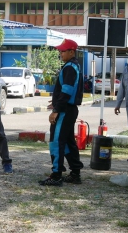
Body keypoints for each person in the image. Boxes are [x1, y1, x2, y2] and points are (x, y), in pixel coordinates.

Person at [39, 39, 84, 186]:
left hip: (65, 111)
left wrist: (56, 110)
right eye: (60, 50)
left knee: (56, 142)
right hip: (69, 109)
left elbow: (67, 90)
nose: (60, 53)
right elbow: (67, 91)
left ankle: (56, 174)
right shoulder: (73, 66)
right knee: (68, 142)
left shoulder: (70, 67)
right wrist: (56, 103)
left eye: (63, 51)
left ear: (72, 52)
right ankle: (75, 173)